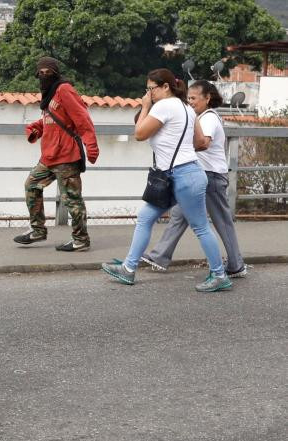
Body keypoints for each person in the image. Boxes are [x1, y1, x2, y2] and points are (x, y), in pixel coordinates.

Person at [102, 70, 232, 292]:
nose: (149, 93)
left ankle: (219, 275)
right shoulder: (187, 109)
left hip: (181, 176)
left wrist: (145, 107)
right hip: (184, 174)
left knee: (200, 227)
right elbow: (201, 142)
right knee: (145, 217)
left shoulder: (163, 106)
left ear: (165, 87)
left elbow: (140, 134)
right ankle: (128, 268)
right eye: (148, 90)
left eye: (151, 88)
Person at [141, 81, 247, 278]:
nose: (190, 102)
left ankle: (236, 265)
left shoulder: (209, 118)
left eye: (194, 98)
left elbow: (203, 143)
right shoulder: (197, 116)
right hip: (199, 175)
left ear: (207, 98)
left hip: (211, 176)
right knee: (178, 216)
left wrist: (179, 147)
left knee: (222, 222)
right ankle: (159, 256)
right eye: (188, 98)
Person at [14, 57, 100, 251]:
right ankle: (38, 231)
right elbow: (50, 119)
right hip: (49, 156)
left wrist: (91, 147)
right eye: (41, 73)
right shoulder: (49, 93)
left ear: (56, 73)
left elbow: (82, 118)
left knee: (71, 199)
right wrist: (35, 128)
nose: (44, 75)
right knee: (32, 185)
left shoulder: (64, 90)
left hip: (67, 155)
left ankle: (81, 239)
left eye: (48, 72)